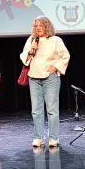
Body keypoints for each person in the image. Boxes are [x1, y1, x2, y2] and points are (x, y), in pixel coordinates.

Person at [20, 16, 70, 148]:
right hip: (34, 78)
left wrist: (55, 67)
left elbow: (65, 56)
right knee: (36, 110)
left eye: (40, 26)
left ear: (46, 26)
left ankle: (53, 138)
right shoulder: (31, 40)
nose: (38, 28)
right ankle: (38, 138)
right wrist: (31, 50)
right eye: (36, 26)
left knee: (52, 110)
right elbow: (24, 57)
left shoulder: (55, 40)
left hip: (50, 78)